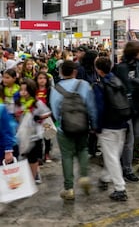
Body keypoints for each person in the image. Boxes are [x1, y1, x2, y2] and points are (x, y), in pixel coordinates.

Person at [50, 60, 97, 200]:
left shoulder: (56, 88)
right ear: (75, 72)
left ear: (60, 72)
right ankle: (84, 177)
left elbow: (55, 110)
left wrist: (60, 124)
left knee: (67, 156)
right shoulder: (84, 85)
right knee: (82, 150)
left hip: (64, 128)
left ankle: (69, 188)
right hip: (83, 125)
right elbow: (91, 107)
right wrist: (93, 124)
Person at [94, 57, 129, 201]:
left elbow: (99, 108)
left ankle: (120, 188)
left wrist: (97, 127)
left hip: (108, 125)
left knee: (111, 157)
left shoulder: (99, 86)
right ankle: (105, 178)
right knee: (113, 155)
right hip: (122, 123)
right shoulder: (117, 80)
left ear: (98, 69)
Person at [112, 41, 139, 182]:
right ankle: (124, 169)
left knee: (131, 139)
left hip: (135, 108)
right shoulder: (121, 68)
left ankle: (124, 168)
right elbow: (123, 88)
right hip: (123, 109)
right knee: (127, 140)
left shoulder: (138, 65)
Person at [16, 78, 51, 184]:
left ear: (31, 90)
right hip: (22, 135)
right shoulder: (18, 103)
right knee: (22, 156)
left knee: (33, 158)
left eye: (25, 90)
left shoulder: (37, 103)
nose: (23, 92)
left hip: (35, 135)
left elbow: (48, 113)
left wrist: (39, 117)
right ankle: (31, 174)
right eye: (21, 90)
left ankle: (33, 176)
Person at [35, 72, 53, 163]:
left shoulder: (49, 90)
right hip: (37, 118)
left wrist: (49, 114)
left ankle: (47, 153)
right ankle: (38, 155)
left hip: (47, 117)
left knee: (48, 136)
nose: (42, 80)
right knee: (38, 138)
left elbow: (52, 103)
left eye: (44, 78)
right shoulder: (34, 90)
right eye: (40, 78)